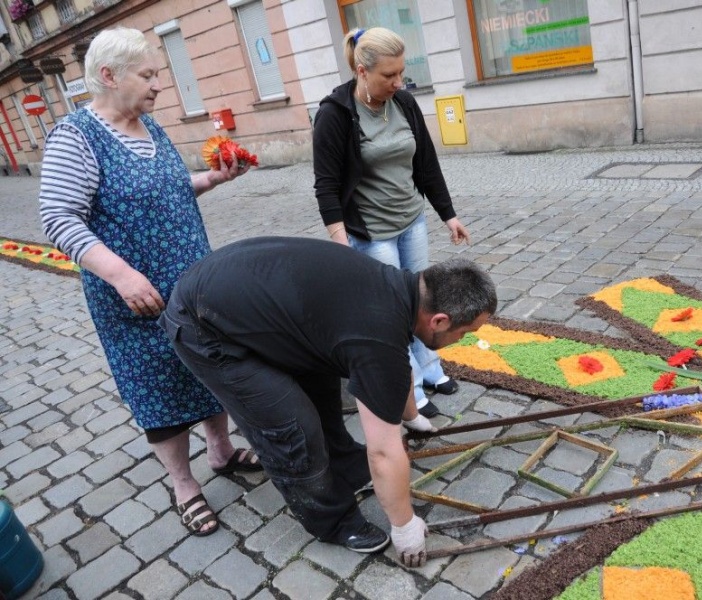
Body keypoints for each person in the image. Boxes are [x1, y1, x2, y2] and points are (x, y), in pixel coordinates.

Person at [38, 27, 259, 538]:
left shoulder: (149, 126)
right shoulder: (76, 136)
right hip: (136, 300)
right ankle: (184, 484)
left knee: (208, 369)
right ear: (109, 76)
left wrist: (214, 179)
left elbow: (172, 191)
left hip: (193, 287)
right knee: (157, 385)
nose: (160, 84)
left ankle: (221, 451)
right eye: (149, 74)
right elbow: (58, 217)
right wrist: (120, 274)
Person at [159, 237, 497, 565]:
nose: (460, 340)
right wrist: (405, 525)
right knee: (292, 427)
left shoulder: (398, 291)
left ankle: (345, 467)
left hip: (235, 295)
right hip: (202, 324)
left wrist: (410, 416)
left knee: (323, 391)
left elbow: (398, 369)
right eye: (464, 333)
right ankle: (331, 520)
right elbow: (382, 451)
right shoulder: (377, 334)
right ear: (439, 320)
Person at [313, 26, 470, 419]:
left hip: (411, 220)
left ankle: (431, 370)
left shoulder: (404, 103)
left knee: (422, 302)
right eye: (389, 75)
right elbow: (326, 186)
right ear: (362, 71)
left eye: (401, 72)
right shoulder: (334, 115)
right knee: (392, 313)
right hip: (371, 233)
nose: (399, 82)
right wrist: (340, 239)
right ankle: (409, 390)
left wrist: (447, 214)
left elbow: (426, 163)